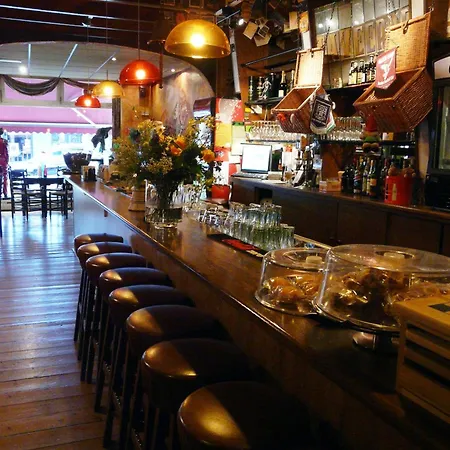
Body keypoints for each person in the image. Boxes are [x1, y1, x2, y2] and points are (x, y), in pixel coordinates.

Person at [0, 128, 8, 198]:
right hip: (3, 161)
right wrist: (7, 161)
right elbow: (6, 153)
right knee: (5, 177)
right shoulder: (4, 141)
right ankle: (5, 192)